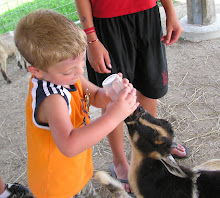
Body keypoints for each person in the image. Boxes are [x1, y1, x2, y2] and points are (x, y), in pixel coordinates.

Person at [14, 9, 139, 198]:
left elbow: (96, 95)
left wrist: (112, 94)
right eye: (69, 70)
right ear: (36, 71)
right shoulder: (52, 99)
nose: (79, 72)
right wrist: (114, 116)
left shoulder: (67, 78)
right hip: (55, 187)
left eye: (81, 62)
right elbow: (70, 145)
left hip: (74, 173)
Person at [75, 0, 189, 193]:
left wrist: (170, 11)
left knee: (150, 87)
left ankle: (152, 149)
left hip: (147, 15)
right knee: (113, 95)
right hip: (107, 22)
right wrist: (91, 39)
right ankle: (119, 162)